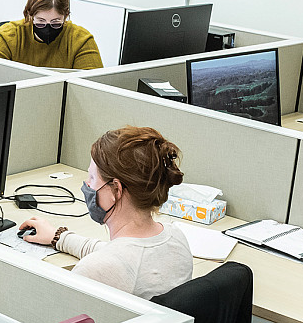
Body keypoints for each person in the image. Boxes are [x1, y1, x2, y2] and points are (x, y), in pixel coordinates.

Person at [18, 126, 193, 299]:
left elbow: (110, 262)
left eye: (92, 178)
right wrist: (59, 238)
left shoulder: (97, 269)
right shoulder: (176, 237)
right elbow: (116, 254)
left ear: (116, 189)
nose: (86, 184)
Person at [0, 0, 103, 69]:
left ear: (66, 16)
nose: (48, 28)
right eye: (40, 22)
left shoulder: (80, 39)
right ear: (30, 15)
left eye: (56, 23)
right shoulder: (9, 35)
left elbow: (93, 88)